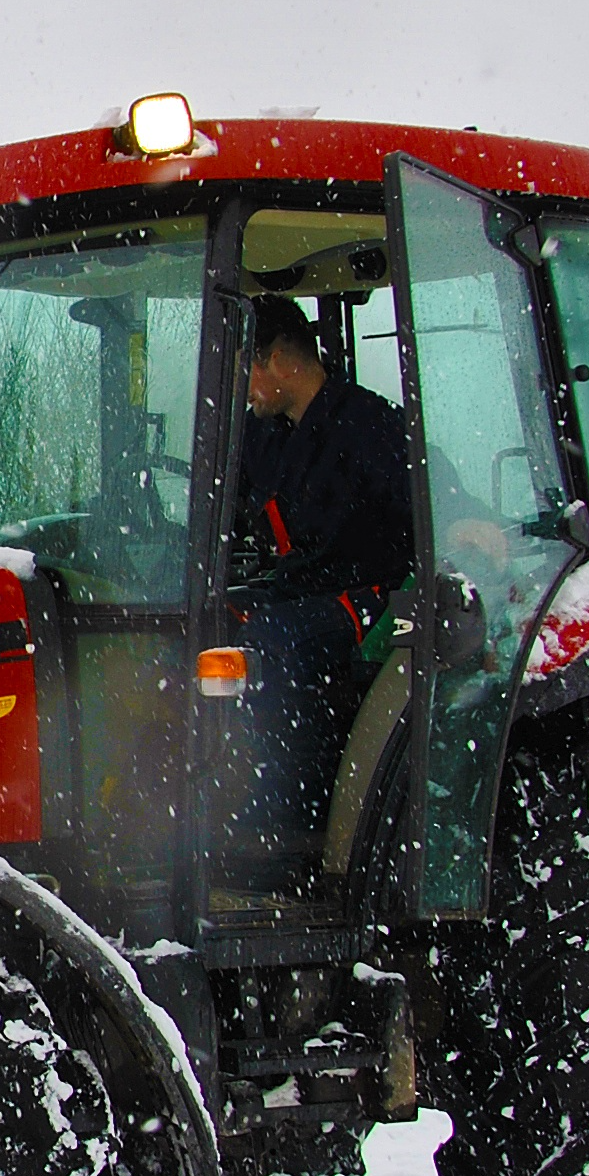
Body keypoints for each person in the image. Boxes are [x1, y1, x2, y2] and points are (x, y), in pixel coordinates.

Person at [227, 295, 413, 873]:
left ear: (281, 361)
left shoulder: (370, 427)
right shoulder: (266, 436)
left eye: (248, 369)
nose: (244, 387)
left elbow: (428, 505)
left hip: (373, 595)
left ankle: (286, 831)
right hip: (301, 589)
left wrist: (471, 524)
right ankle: (221, 800)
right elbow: (230, 507)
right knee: (216, 621)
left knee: (277, 642)